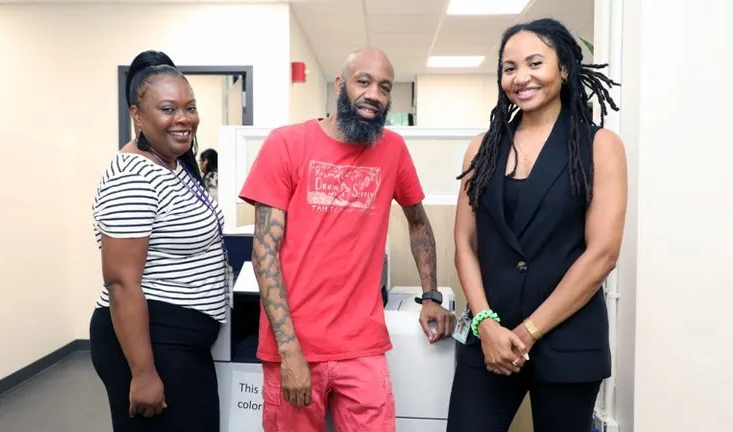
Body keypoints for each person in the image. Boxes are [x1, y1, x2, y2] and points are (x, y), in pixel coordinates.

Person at [239, 47, 456, 432]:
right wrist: (288, 349)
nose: (375, 93)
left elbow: (419, 223)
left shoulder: (393, 150)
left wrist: (431, 296)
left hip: (363, 345)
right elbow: (264, 253)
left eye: (385, 87)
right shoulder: (286, 144)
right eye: (364, 81)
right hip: (294, 345)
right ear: (341, 85)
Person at [447, 18, 627, 432]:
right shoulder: (484, 148)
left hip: (568, 340)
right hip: (489, 335)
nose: (520, 78)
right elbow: (464, 243)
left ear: (563, 68)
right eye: (509, 68)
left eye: (534, 63)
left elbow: (603, 254)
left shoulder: (600, 146)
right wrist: (485, 323)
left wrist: (528, 332)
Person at [89, 52, 228, 432]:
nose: (184, 119)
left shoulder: (174, 163)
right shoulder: (132, 176)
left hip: (179, 344)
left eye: (190, 107)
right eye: (168, 109)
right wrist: (143, 372)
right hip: (151, 346)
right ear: (137, 114)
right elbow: (121, 282)